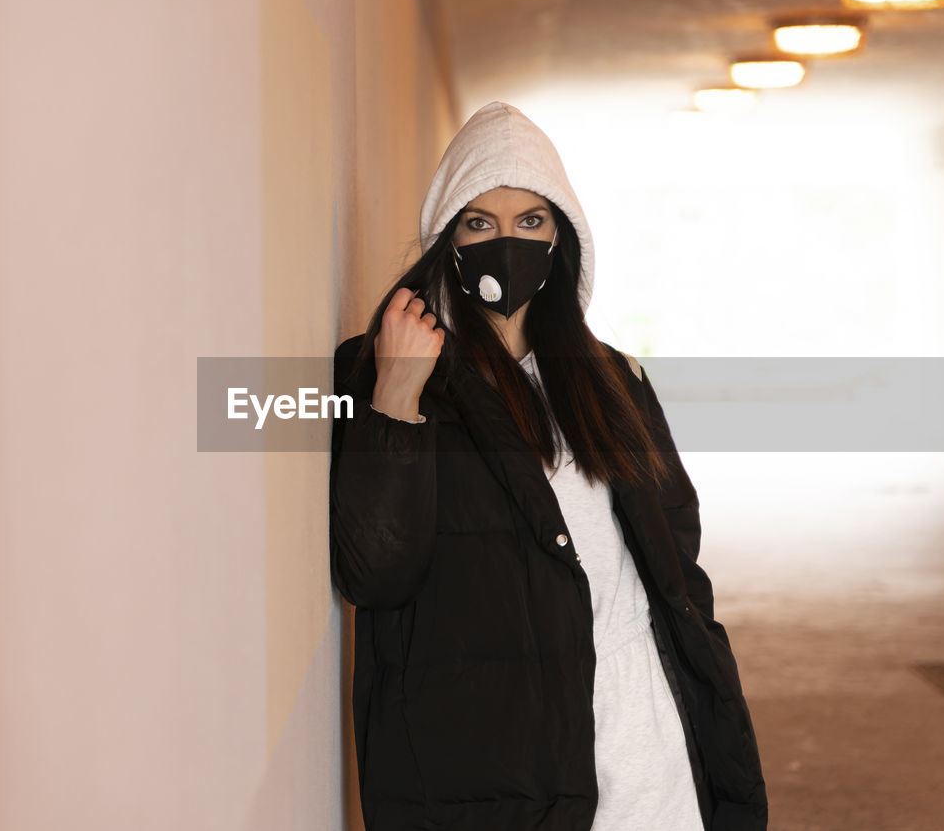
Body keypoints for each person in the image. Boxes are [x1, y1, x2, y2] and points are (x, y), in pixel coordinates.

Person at [329, 101, 767, 831]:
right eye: (481, 223)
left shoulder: (609, 377)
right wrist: (396, 397)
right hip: (496, 745)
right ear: (448, 238)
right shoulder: (380, 365)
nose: (509, 242)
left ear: (563, 238)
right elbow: (374, 572)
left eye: (532, 221)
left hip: (640, 726)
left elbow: (674, 548)